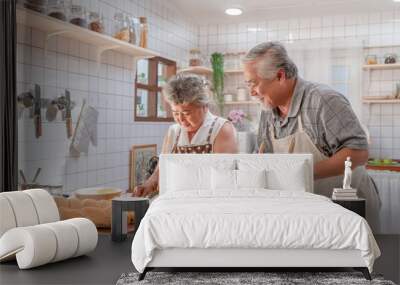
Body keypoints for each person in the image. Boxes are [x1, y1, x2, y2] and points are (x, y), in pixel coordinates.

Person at [242, 41, 380, 230]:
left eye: (253, 83)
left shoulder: (323, 100)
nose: (251, 92)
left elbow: (358, 153)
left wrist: (301, 172)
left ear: (280, 76)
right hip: (309, 210)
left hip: (348, 209)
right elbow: (264, 155)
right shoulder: (268, 110)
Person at [133, 73, 238, 197]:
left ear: (204, 106)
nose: (180, 119)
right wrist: (149, 183)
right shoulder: (174, 131)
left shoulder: (221, 129)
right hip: (176, 197)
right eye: (175, 113)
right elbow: (162, 166)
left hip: (210, 199)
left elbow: (223, 178)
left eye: (186, 113)